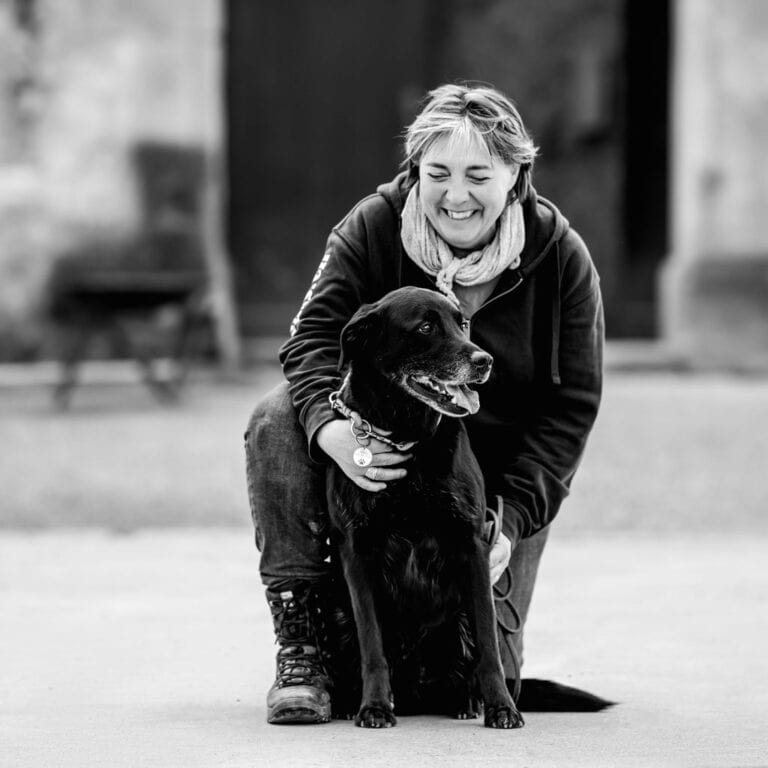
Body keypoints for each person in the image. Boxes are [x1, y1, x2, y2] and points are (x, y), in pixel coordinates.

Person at [244, 82, 604, 725]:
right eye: (437, 173)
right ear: (415, 173)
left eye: (477, 175)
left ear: (516, 174)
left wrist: (511, 518)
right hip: (376, 458)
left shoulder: (562, 260)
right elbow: (310, 343)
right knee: (276, 415)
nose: (456, 195)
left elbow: (570, 408)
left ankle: (484, 627)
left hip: (487, 492)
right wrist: (330, 429)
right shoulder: (373, 227)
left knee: (479, 684)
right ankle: (303, 645)